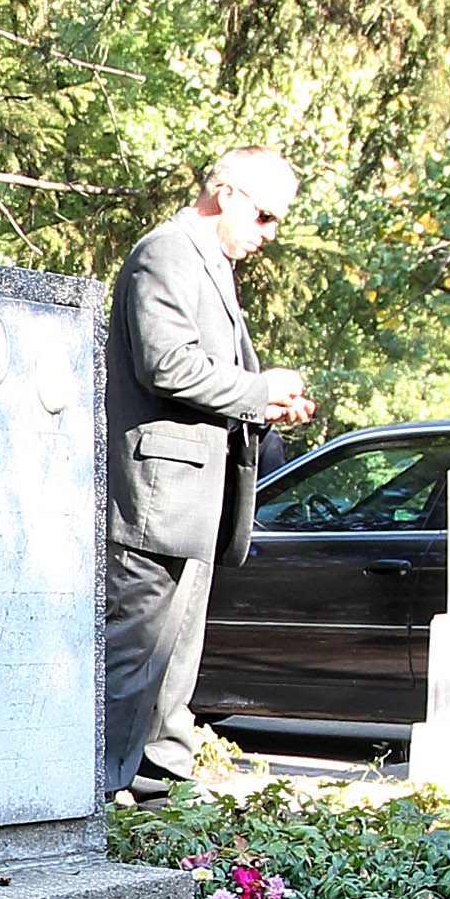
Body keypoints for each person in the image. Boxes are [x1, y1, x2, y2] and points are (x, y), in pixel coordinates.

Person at [101, 149, 315, 802]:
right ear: (227, 192)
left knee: (173, 657)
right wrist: (258, 388)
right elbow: (165, 365)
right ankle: (91, 794)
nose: (270, 232)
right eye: (266, 214)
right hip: (155, 498)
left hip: (192, 500)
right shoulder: (166, 252)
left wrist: (266, 402)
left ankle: (159, 777)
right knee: (133, 652)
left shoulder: (208, 261)